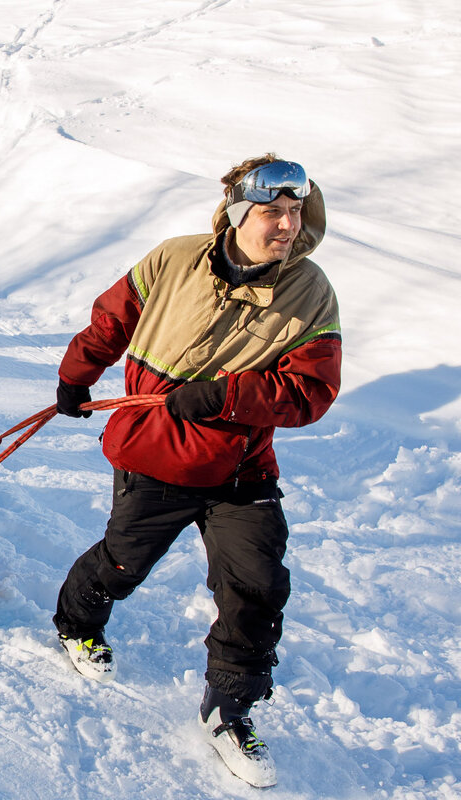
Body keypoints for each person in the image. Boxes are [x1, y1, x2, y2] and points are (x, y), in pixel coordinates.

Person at [50, 156, 341, 787]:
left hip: (241, 466)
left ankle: (230, 710)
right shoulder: (173, 260)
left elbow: (313, 392)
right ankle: (77, 624)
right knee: (124, 560)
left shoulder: (310, 290)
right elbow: (110, 323)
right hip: (154, 451)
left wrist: (227, 397)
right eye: (273, 212)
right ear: (239, 212)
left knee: (255, 583)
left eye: (297, 212)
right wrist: (75, 378)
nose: (288, 225)